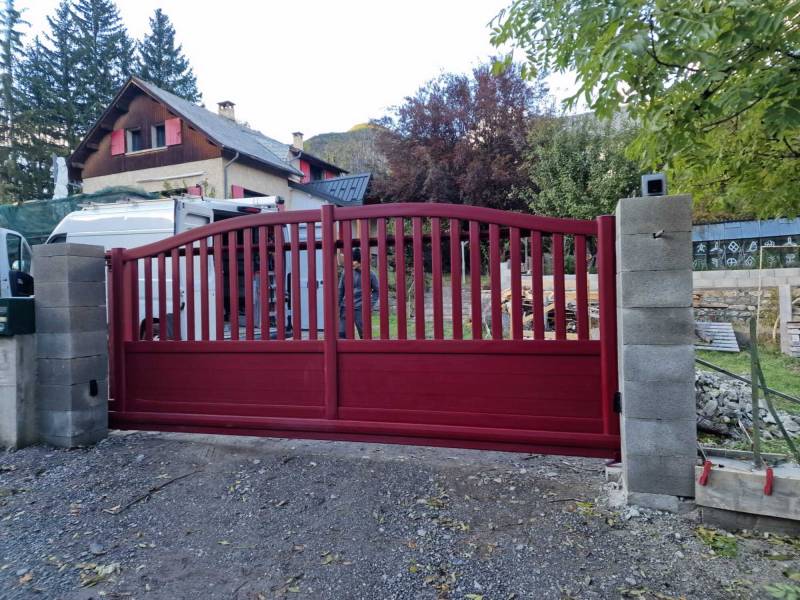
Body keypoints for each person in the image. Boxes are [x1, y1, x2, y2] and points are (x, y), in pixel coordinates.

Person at [338, 248, 379, 338]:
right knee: (342, 334)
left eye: (354, 260)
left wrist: (369, 304)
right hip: (345, 307)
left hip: (361, 308)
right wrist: (338, 305)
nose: (351, 263)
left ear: (360, 261)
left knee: (364, 335)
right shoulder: (346, 272)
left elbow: (377, 291)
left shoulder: (371, 274)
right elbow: (340, 289)